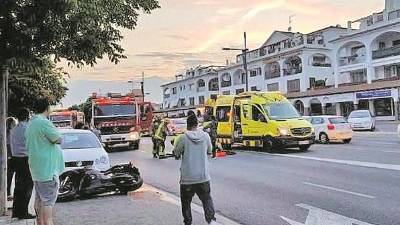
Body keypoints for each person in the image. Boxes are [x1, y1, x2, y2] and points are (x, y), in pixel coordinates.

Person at [26, 99, 65, 225]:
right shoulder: (44, 122)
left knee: (39, 199)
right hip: (47, 169)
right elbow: (58, 139)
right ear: (47, 108)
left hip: (36, 169)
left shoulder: (31, 123)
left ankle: (39, 223)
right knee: (48, 201)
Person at [174, 115, 217, 225]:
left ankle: (188, 222)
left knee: (186, 202)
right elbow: (209, 151)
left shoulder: (183, 138)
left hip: (188, 178)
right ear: (197, 124)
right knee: (206, 199)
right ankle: (211, 220)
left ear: (187, 125)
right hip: (203, 176)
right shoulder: (206, 136)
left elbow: (177, 153)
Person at [10, 108, 35, 219]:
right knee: (27, 186)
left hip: (16, 159)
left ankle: (16, 211)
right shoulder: (27, 129)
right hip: (25, 159)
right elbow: (32, 145)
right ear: (27, 116)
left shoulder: (14, 129)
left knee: (18, 186)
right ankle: (24, 212)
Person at [6, 117, 17, 200]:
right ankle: (8, 193)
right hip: (10, 157)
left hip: (10, 156)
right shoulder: (9, 133)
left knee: (9, 176)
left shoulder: (10, 132)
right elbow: (8, 145)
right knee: (9, 176)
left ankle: (8, 193)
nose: (15, 125)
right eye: (13, 123)